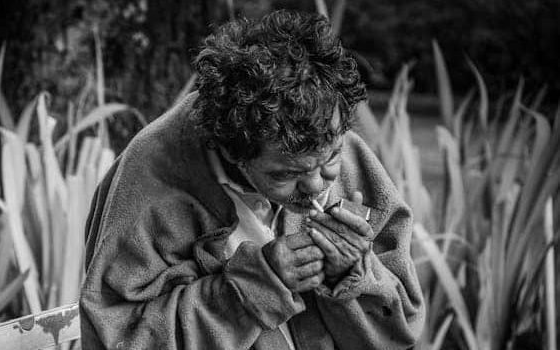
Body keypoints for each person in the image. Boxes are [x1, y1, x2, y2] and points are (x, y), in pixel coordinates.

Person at [80, 10, 424, 350]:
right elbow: (117, 336)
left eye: (331, 158)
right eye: (286, 174)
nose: (318, 185)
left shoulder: (330, 135)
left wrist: (353, 274)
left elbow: (401, 329)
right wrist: (255, 287)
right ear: (232, 152)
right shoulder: (152, 177)